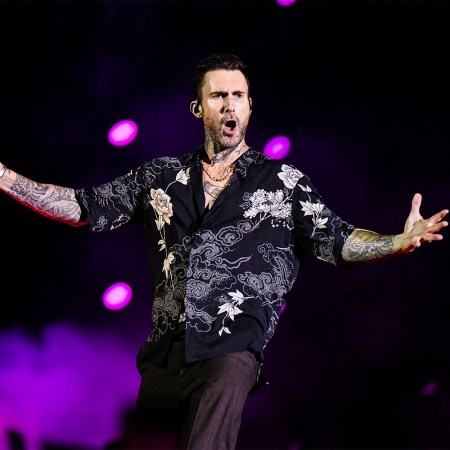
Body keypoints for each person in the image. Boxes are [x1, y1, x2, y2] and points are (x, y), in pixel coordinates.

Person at [0, 53, 448, 450]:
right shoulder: (161, 177)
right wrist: (5, 177)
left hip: (231, 345)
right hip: (164, 354)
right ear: (198, 108)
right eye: (218, 96)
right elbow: (82, 206)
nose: (230, 105)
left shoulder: (283, 182)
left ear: (250, 106)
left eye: (239, 96)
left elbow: (339, 239)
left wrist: (396, 242)